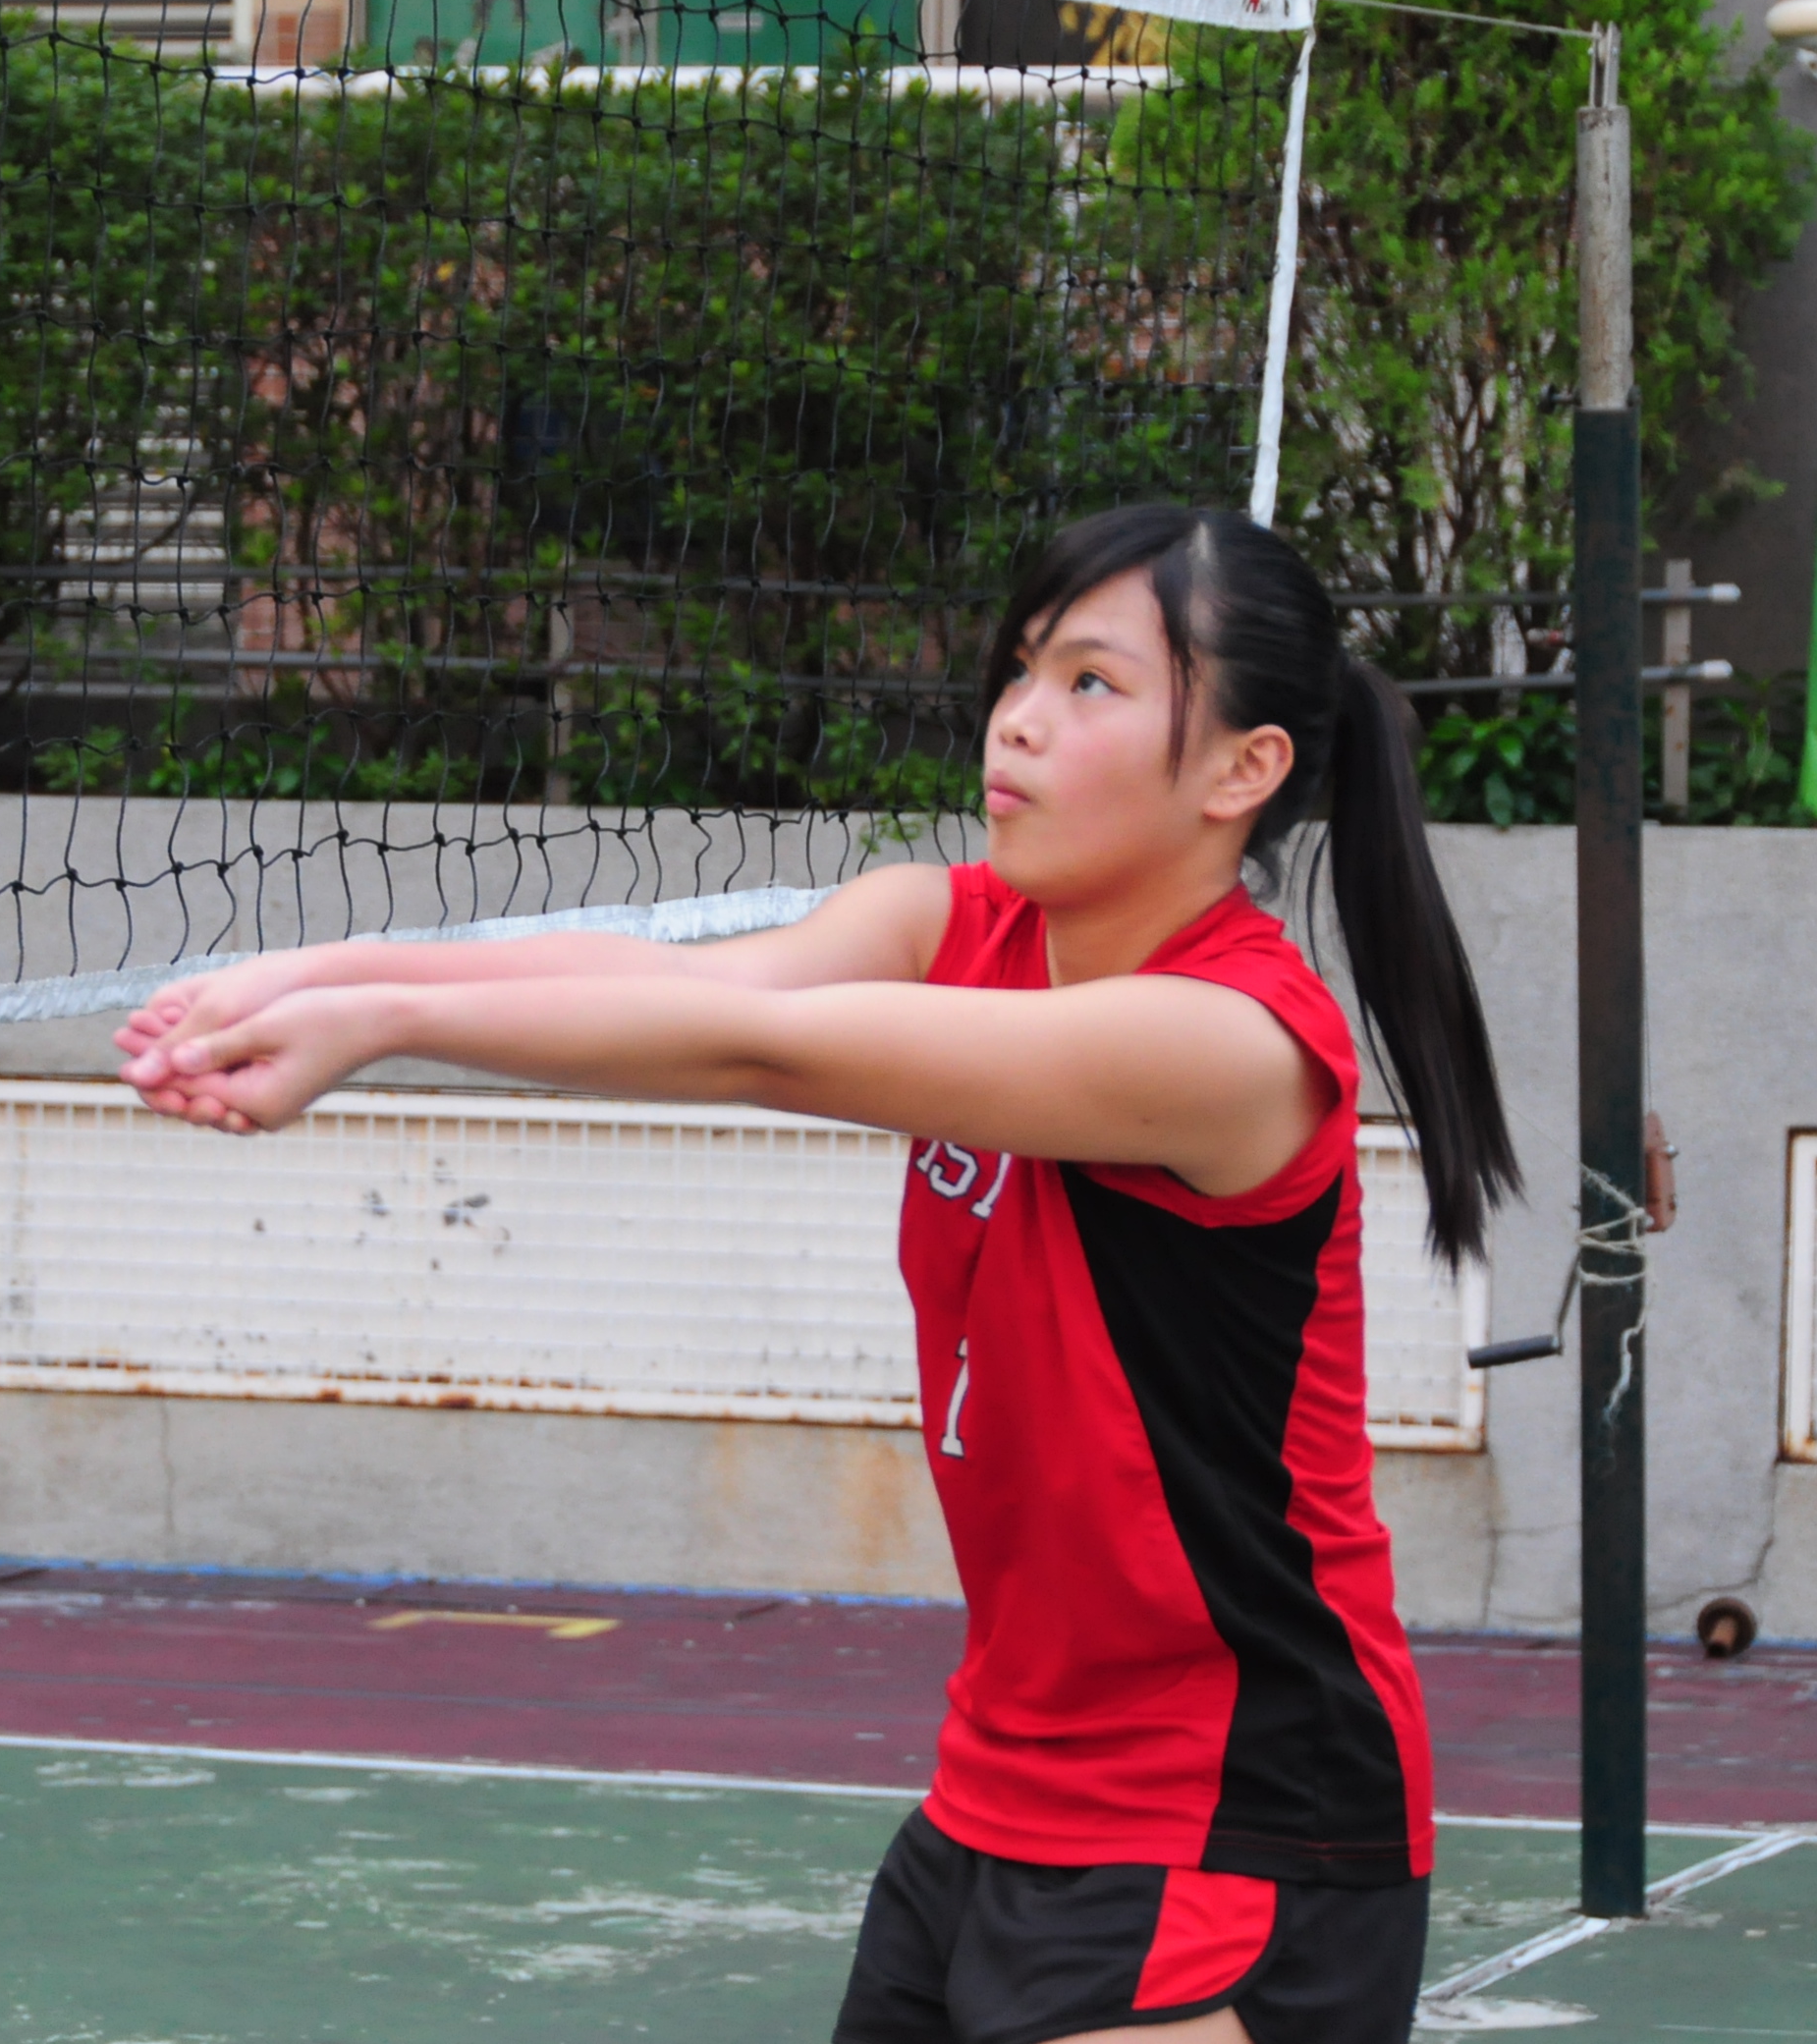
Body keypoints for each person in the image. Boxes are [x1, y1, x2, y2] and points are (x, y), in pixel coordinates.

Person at [114, 504, 1518, 2044]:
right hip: (997, 1796)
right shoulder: (943, 922)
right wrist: (315, 978)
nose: (1019, 719)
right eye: (1023, 668)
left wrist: (382, 1024)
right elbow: (681, 984)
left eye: (1092, 684)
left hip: (1235, 1816)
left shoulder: (1227, 1041)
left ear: (1242, 771)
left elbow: (760, 1047)